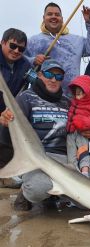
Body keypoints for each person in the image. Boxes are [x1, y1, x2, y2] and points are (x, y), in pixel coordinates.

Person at [0, 59, 70, 210]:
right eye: (48, 74)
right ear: (39, 75)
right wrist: (5, 125)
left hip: (64, 160)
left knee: (88, 198)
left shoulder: (67, 102)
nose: (53, 79)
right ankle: (26, 194)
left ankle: (54, 193)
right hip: (36, 159)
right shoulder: (26, 98)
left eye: (58, 77)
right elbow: (10, 138)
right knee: (37, 189)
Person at [25, 2, 90, 96]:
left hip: (70, 99)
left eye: (57, 15)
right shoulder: (33, 41)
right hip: (41, 99)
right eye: (49, 14)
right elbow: (20, 61)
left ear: (62, 19)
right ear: (43, 18)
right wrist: (33, 60)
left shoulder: (76, 40)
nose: (54, 17)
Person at [0, 28, 31, 188]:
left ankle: (4, 175)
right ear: (2, 42)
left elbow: (31, 83)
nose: (16, 51)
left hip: (8, 109)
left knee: (11, 131)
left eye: (21, 48)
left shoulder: (25, 64)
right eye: (12, 46)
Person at [66, 75, 90, 178]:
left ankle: (85, 171)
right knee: (71, 153)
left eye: (81, 92)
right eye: (76, 92)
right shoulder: (72, 102)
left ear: (89, 92)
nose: (78, 95)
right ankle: (73, 170)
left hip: (82, 133)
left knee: (83, 152)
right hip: (70, 133)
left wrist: (84, 123)